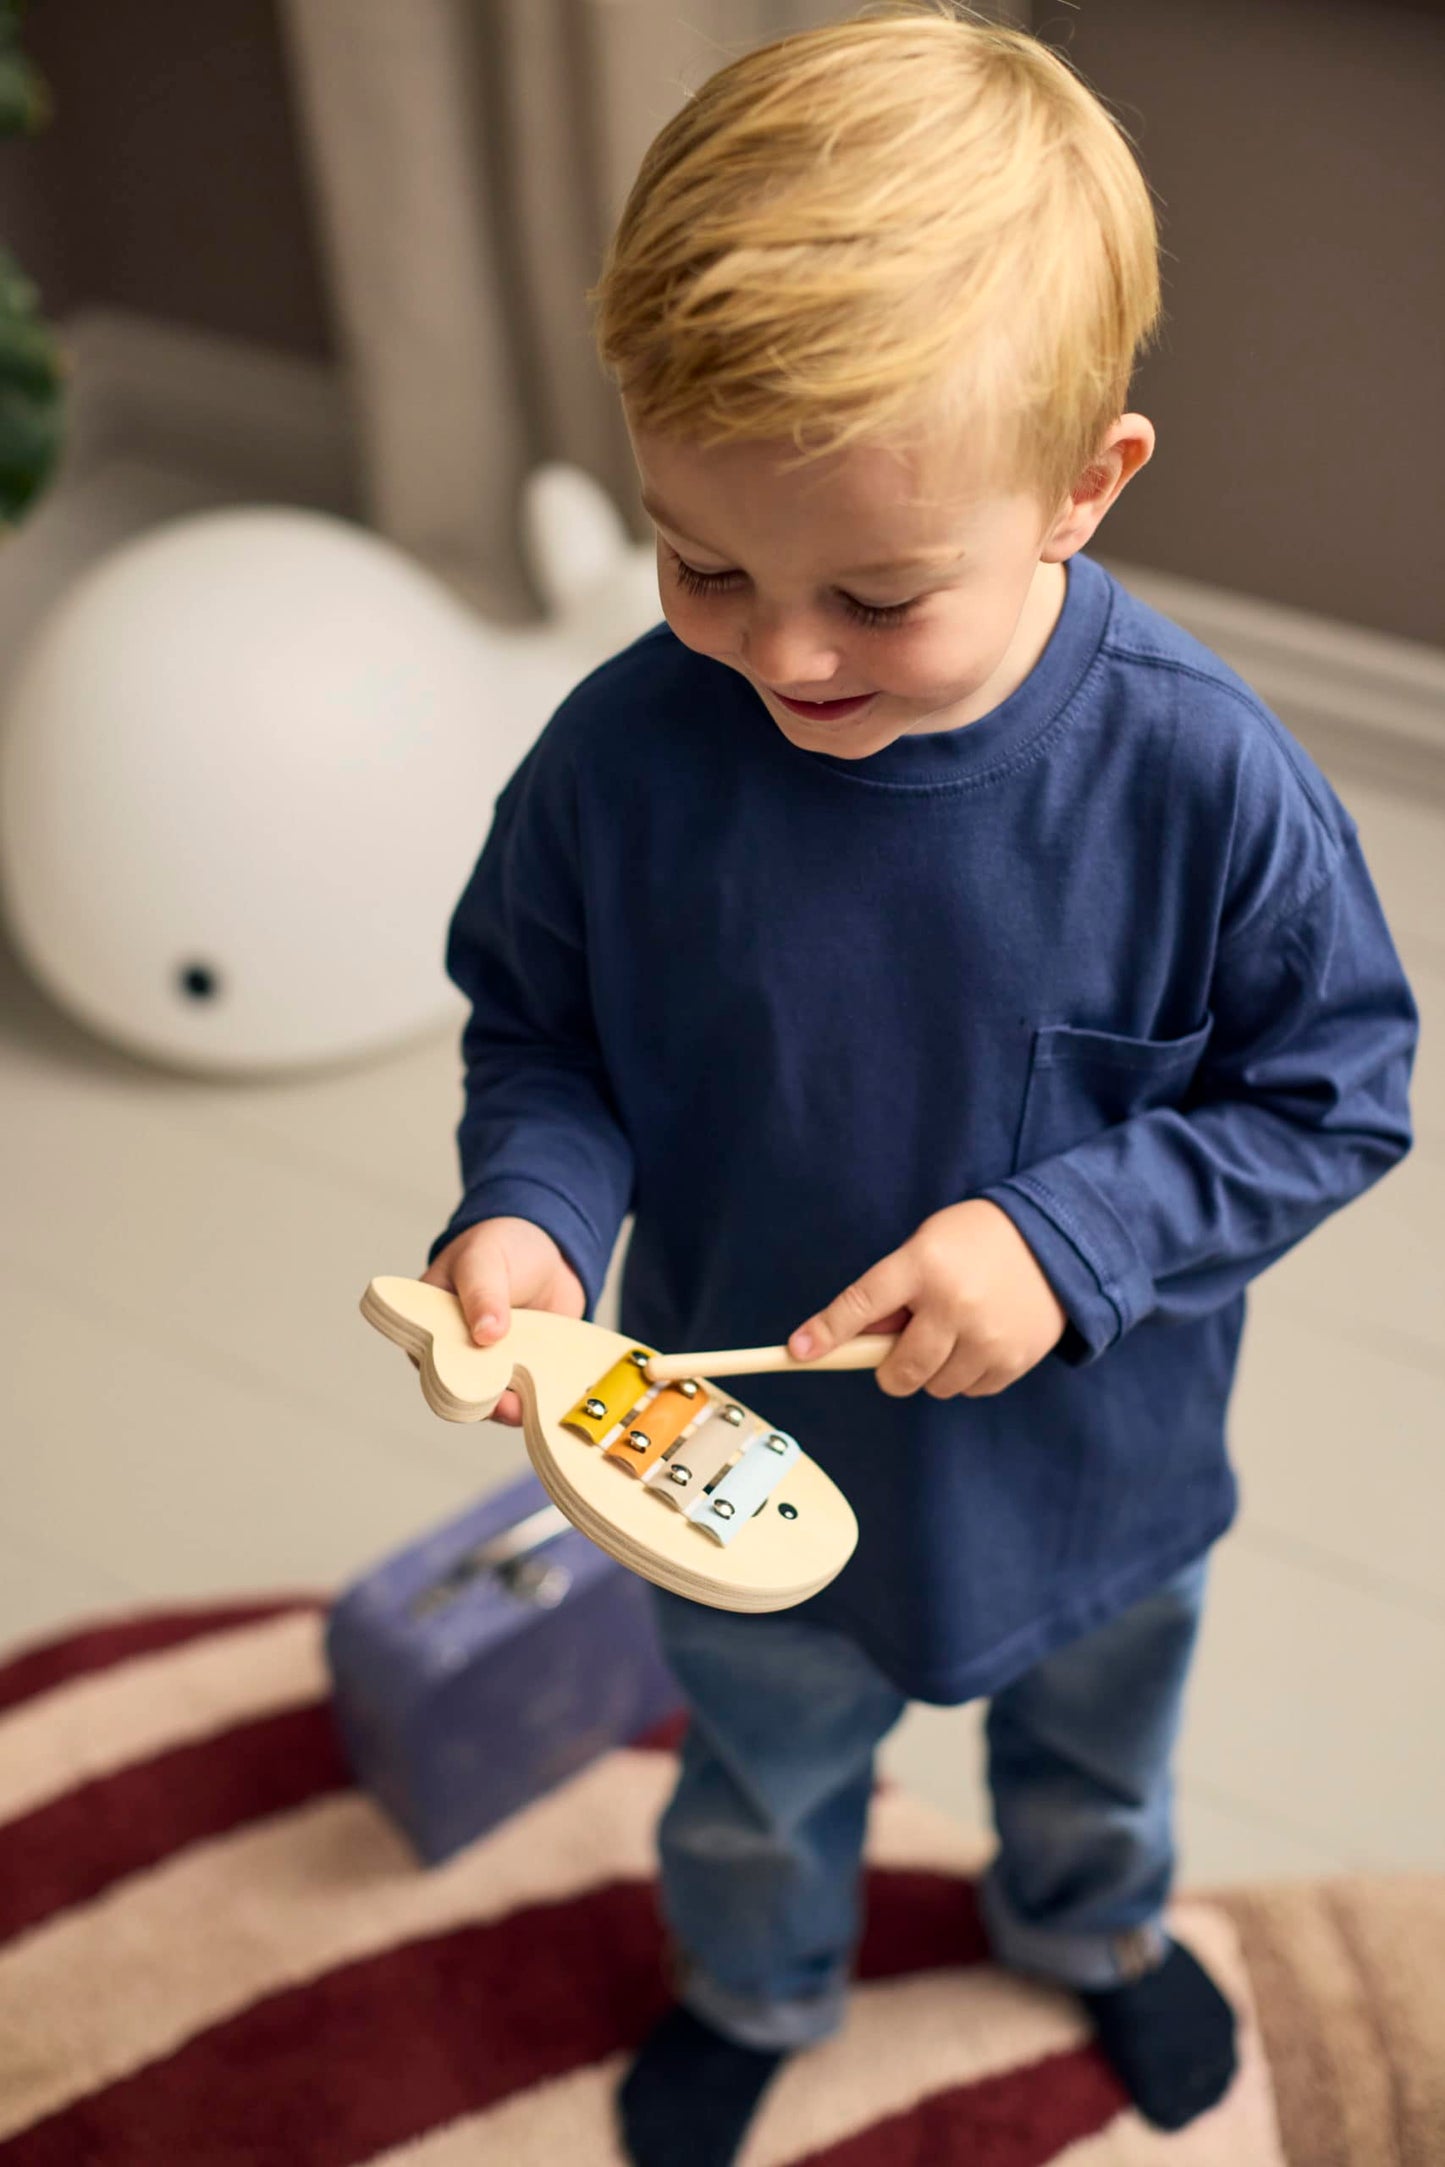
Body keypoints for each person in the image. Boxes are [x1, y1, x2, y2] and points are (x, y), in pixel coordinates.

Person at [421, 5, 1418, 2159]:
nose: (783, 655)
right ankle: (757, 1983)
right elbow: (547, 1028)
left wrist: (1067, 1237)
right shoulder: (623, 761)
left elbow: (1337, 1085)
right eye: (706, 564)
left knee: (1095, 1757)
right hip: (730, 1461)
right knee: (761, 1778)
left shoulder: (1201, 783)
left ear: (1084, 486)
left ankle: (1093, 1936)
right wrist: (526, 1210)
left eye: (877, 594)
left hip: (1100, 1485)